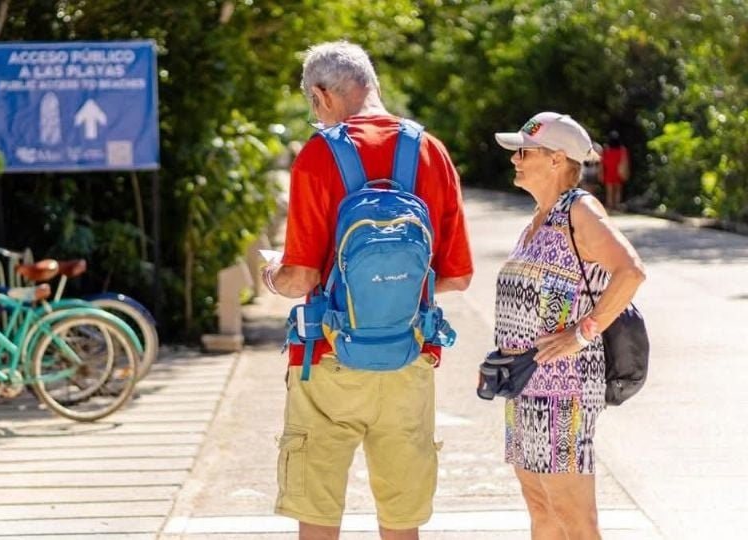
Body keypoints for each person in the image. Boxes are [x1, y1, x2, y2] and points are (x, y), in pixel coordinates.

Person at [261, 41, 473, 540]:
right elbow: (458, 276)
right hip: (409, 354)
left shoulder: (317, 155)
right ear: (371, 84)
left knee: (318, 513)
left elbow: (302, 278)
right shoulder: (429, 149)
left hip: (328, 358)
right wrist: (395, 295)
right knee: (401, 520)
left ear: (320, 95)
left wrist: (273, 275)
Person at [493, 112, 646, 539]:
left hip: (564, 388)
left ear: (558, 159)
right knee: (542, 510)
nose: (515, 160)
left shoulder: (579, 209)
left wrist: (583, 332)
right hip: (524, 384)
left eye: (525, 151)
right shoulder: (538, 220)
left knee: (574, 519)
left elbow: (630, 271)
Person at [600, 130, 630, 210]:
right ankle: (617, 205)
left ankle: (610, 205)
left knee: (609, 190)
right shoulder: (622, 150)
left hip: (609, 171)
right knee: (618, 189)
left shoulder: (606, 150)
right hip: (618, 171)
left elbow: (602, 163)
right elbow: (625, 161)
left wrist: (601, 173)